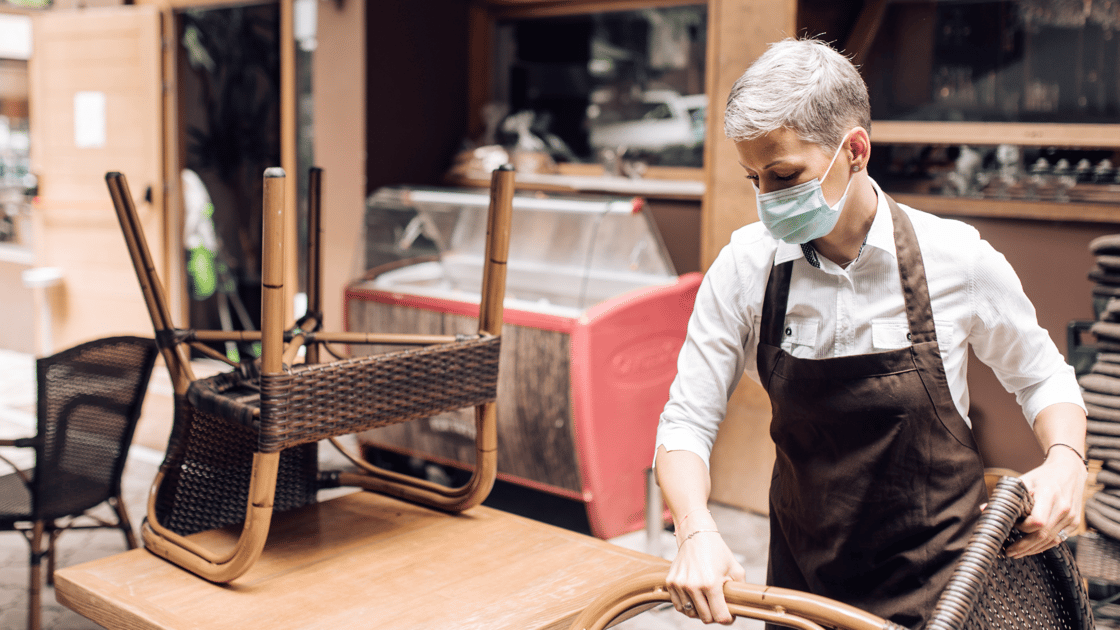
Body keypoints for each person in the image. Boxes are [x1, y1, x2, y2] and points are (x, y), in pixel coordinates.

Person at [655, 37, 1088, 628]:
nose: (766, 200)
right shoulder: (745, 268)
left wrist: (1066, 459)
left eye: (783, 175)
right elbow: (687, 420)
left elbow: (1042, 377)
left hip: (943, 591)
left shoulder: (955, 259)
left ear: (854, 149)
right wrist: (694, 531)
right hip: (803, 591)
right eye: (753, 177)